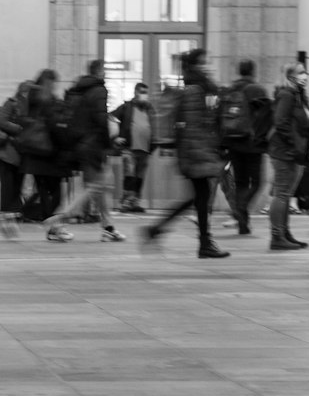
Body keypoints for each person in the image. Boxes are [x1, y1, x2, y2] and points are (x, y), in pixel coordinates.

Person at [142, 48, 229, 259]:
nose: (207, 66)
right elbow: (193, 128)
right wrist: (208, 153)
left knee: (198, 198)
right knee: (199, 198)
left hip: (196, 152)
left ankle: (165, 232)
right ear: (194, 66)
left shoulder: (199, 87)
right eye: (202, 63)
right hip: (195, 153)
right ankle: (201, 242)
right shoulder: (195, 90)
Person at [45, 59, 125, 243]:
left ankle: (108, 228)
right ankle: (59, 219)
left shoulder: (78, 88)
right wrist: (108, 142)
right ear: (99, 71)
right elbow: (100, 119)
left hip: (80, 144)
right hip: (94, 145)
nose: (106, 74)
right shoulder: (99, 90)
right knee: (95, 187)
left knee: (101, 186)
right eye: (104, 70)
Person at [219, 58, 272, 235]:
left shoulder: (230, 89)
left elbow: (223, 117)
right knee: (257, 183)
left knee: (240, 182)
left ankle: (243, 225)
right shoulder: (257, 89)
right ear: (253, 71)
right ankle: (240, 208)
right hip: (252, 143)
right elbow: (265, 117)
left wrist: (224, 142)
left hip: (234, 142)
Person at [14, 69, 69, 236]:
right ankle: (51, 225)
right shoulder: (49, 100)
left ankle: (43, 222)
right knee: (57, 191)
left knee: (43, 190)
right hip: (48, 150)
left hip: (33, 150)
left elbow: (22, 118)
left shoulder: (31, 96)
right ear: (50, 82)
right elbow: (54, 125)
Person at [267, 61, 309, 252]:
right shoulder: (286, 95)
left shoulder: (299, 96)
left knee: (286, 194)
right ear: (290, 76)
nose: (305, 75)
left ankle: (285, 233)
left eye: (305, 72)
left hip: (295, 153)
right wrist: (293, 145)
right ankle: (277, 236)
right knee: (282, 193)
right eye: (301, 72)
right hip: (284, 153)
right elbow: (280, 122)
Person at [0, 81, 31, 239]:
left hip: (20, 155)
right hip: (7, 154)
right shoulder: (11, 103)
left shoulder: (30, 108)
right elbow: (1, 121)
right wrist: (20, 129)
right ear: (25, 92)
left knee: (16, 188)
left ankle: (11, 218)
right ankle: (7, 218)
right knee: (8, 188)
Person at [112, 82, 157, 213]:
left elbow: (154, 125)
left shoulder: (149, 109)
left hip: (145, 149)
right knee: (130, 176)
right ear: (135, 93)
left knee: (139, 178)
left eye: (145, 93)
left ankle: (135, 201)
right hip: (129, 148)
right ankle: (126, 202)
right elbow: (111, 118)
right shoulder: (126, 107)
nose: (144, 95)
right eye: (142, 92)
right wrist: (115, 137)